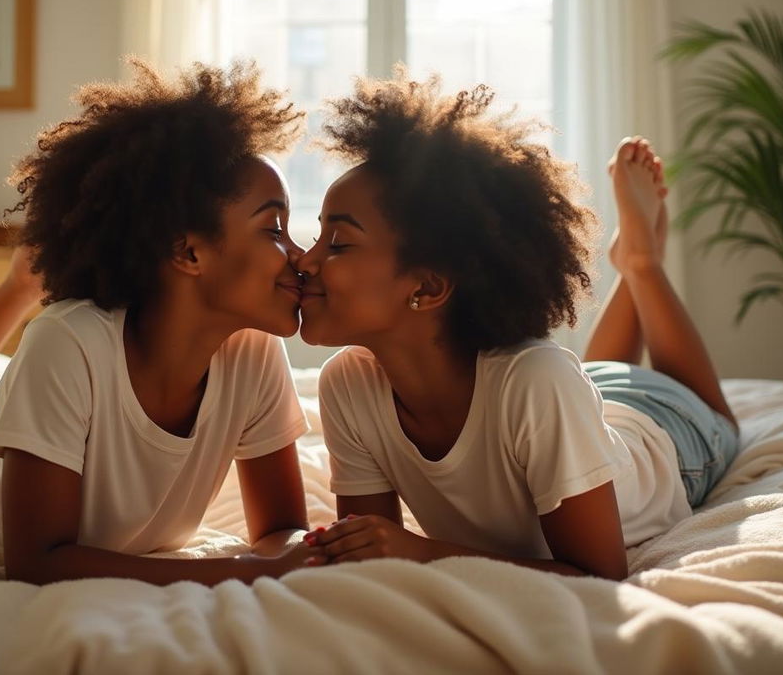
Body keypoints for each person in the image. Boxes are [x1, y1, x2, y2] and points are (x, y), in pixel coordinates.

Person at [0, 60, 320, 586]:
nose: (302, 255)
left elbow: (282, 528)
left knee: (10, 402)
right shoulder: (66, 341)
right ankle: (20, 287)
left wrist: (297, 555)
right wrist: (243, 569)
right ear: (188, 251)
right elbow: (37, 561)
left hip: (57, 416)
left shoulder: (255, 352)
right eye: (274, 229)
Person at [296, 73, 740, 579]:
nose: (304, 263)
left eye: (338, 243)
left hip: (663, 438)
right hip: (588, 398)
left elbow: (599, 574)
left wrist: (422, 552)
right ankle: (634, 265)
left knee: (721, 420)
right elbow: (367, 555)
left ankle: (640, 263)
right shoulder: (347, 384)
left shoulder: (537, 380)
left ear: (428, 287)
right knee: (589, 376)